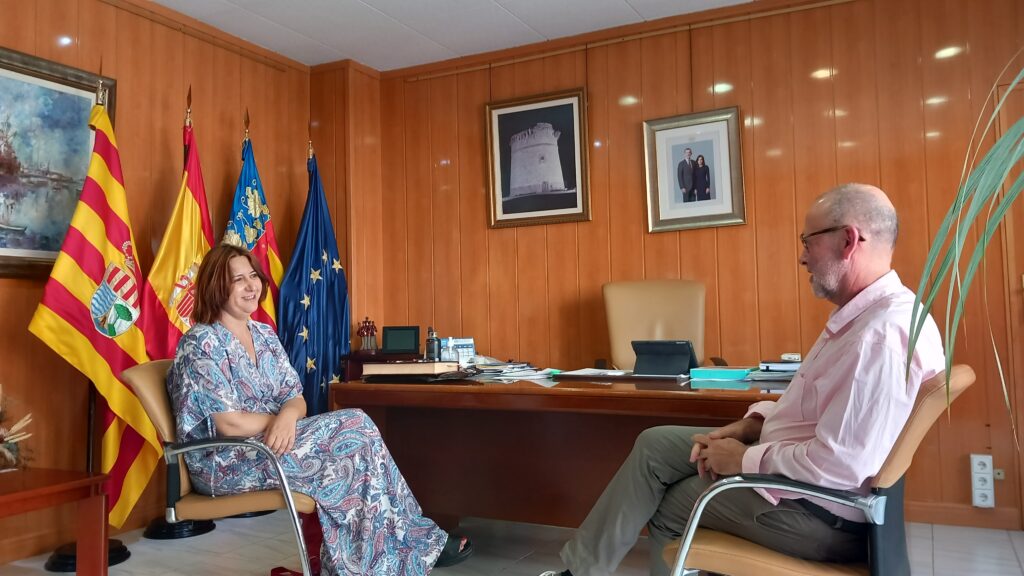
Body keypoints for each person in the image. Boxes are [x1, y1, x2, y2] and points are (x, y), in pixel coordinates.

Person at [539, 183, 945, 576]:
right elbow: (814, 409)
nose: (802, 257)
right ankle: (579, 571)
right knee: (654, 445)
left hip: (817, 512)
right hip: (798, 479)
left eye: (808, 242)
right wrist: (752, 426)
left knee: (670, 504)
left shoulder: (881, 337)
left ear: (848, 241)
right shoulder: (863, 318)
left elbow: (840, 466)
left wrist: (743, 459)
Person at [167, 243, 472, 575]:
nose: (251, 285)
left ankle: (390, 553)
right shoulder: (200, 343)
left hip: (273, 444)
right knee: (355, 426)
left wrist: (286, 417)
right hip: (227, 462)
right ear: (216, 286)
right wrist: (278, 421)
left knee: (357, 448)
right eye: (238, 279)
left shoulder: (264, 334)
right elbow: (229, 424)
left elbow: (296, 398)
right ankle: (410, 547)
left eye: (253, 276)